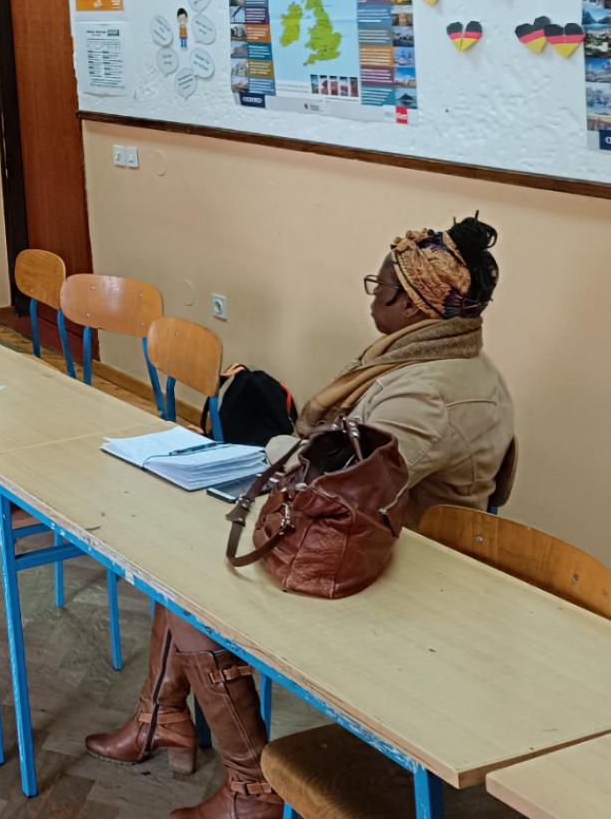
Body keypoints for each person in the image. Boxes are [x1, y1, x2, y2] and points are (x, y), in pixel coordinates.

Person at [86, 215, 515, 819]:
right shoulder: (433, 360)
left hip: (398, 567)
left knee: (193, 604)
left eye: (380, 286)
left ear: (411, 304)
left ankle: (250, 790)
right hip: (381, 536)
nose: (373, 297)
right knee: (179, 571)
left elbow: (340, 485)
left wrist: (271, 444)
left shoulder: (429, 393)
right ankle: (159, 717)